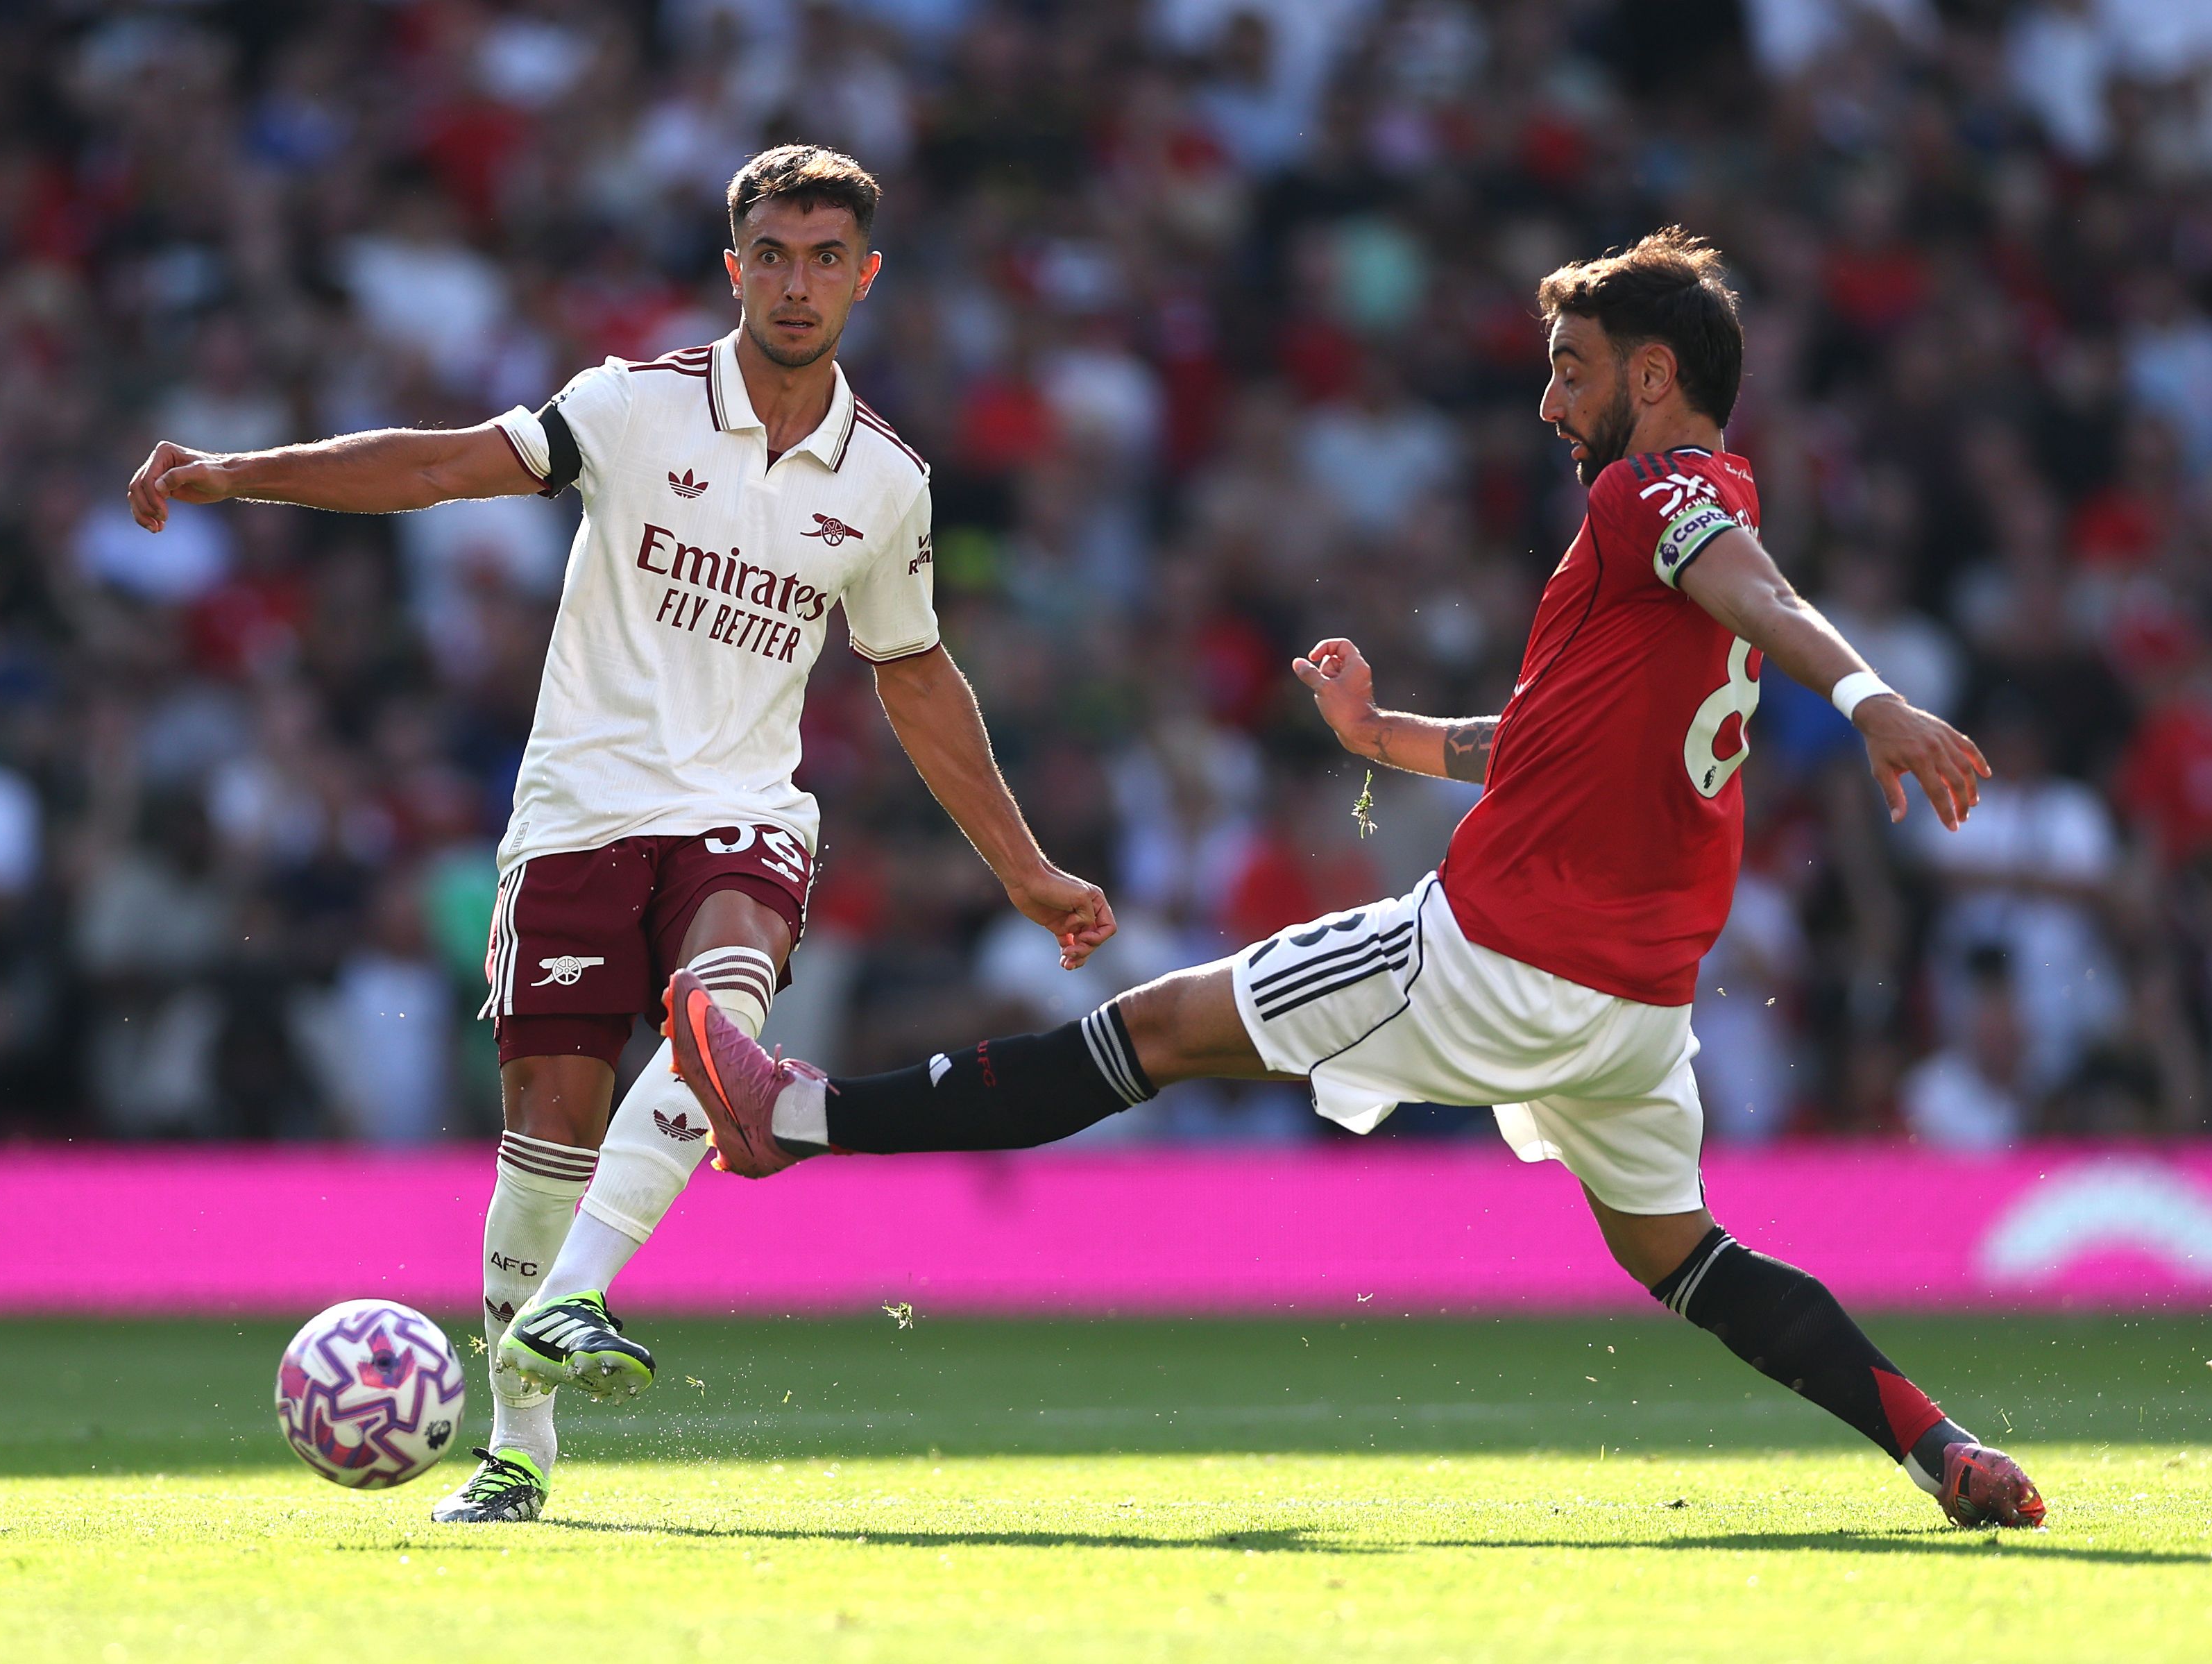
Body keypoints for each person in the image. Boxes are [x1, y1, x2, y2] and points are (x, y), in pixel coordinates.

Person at [661, 230, 2046, 1531]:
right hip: (1632, 1010)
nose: (1550, 404)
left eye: (1570, 370)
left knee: (1152, 1032)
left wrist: (1868, 699)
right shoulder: (1693, 525)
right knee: (1681, 1256)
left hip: (1489, 958)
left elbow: (1768, 600)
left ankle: (800, 1113)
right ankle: (1938, 1444)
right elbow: (1553, 737)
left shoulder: (1655, 497)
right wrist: (1382, 740)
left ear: (1651, 374)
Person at [125, 146, 1114, 1523]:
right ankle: (519, 1438)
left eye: (826, 258)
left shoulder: (885, 481)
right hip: (578, 815)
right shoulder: (629, 404)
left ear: (864, 277)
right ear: (734, 266)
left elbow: (913, 668)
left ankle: (573, 1297)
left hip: (742, 812)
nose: (796, 282)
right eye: (771, 254)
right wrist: (242, 474)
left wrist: (1023, 865)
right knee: (545, 1133)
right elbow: (436, 470)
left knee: (721, 1012)